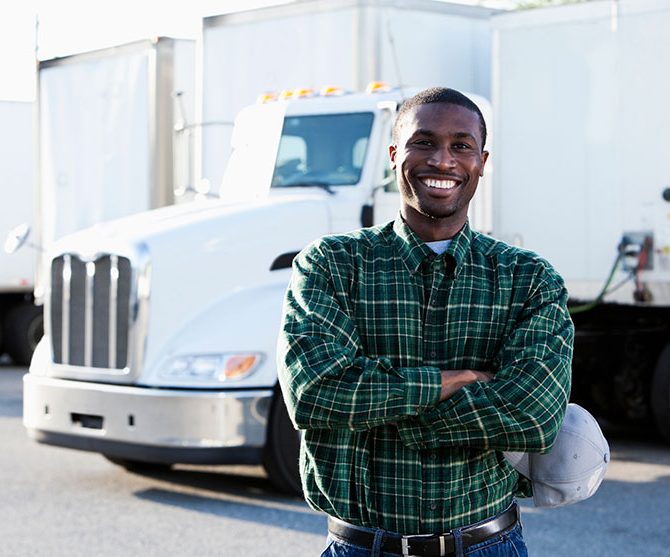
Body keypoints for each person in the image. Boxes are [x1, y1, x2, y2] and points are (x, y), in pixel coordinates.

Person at [277, 87, 573, 557]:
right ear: (395, 155)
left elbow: (534, 417)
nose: (442, 160)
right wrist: (453, 382)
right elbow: (313, 394)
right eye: (423, 142)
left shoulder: (528, 279)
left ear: (482, 161)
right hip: (360, 547)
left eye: (461, 145)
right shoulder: (332, 264)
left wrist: (387, 415)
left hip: (486, 545)